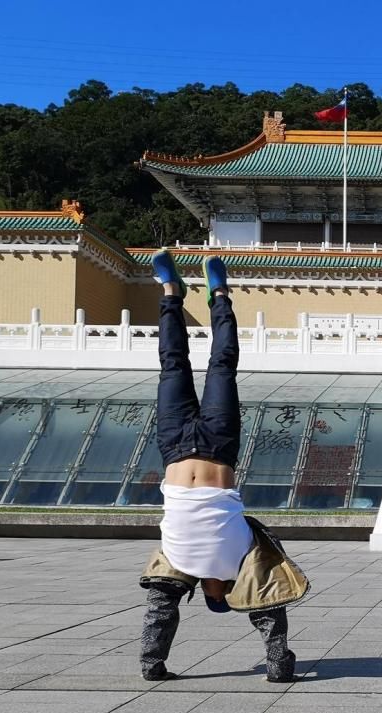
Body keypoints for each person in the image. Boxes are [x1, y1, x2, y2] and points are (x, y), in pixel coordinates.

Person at [137, 250, 309, 682]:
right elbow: (270, 608)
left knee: (171, 365)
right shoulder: (243, 565)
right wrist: (278, 666)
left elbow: (160, 611)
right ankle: (220, 294)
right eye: (222, 596)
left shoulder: (178, 565)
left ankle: (170, 291)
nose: (217, 592)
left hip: (174, 447)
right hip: (219, 447)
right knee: (223, 367)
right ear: (232, 593)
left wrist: (152, 666)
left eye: (214, 596)